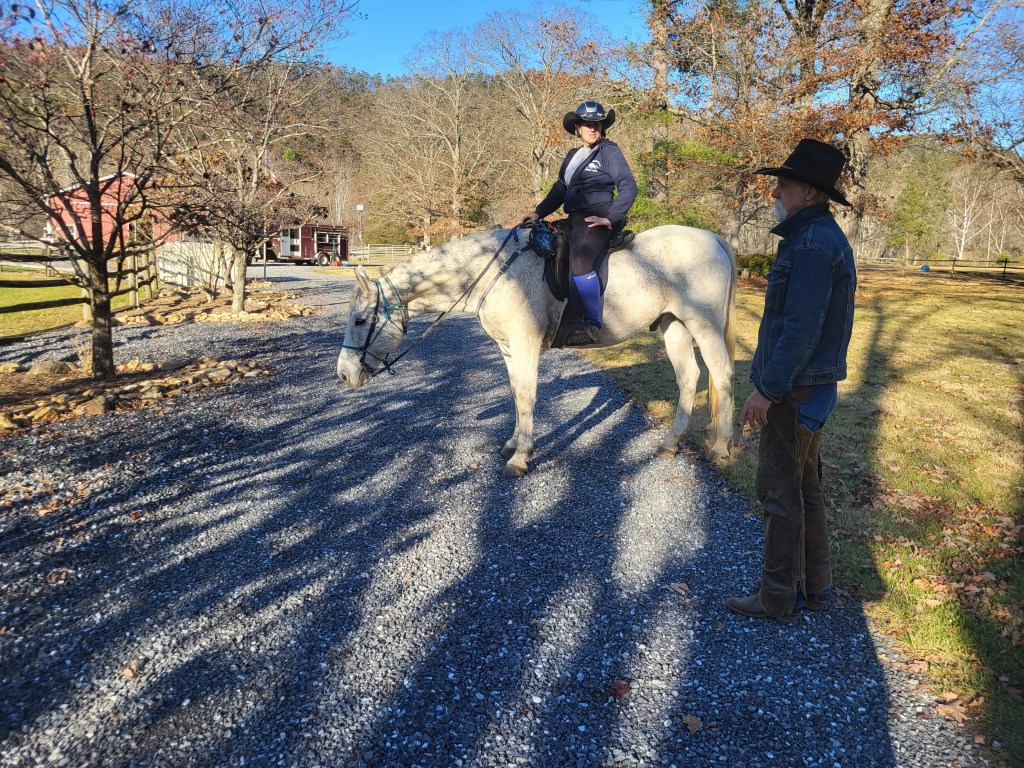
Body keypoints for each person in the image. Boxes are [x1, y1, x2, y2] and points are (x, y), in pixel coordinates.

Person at [727, 138, 857, 623]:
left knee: (779, 492)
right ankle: (815, 589)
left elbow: (801, 329)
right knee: (804, 489)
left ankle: (778, 597)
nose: (776, 192)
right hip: (808, 387)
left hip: (797, 390)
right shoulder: (815, 238)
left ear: (809, 192)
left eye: (783, 184)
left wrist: (767, 389)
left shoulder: (812, 245)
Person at [520, 101, 638, 346]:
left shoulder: (609, 151)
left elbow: (628, 186)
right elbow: (559, 190)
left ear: (603, 127)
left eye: (598, 124)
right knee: (546, 246)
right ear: (578, 128)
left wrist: (611, 217)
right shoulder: (572, 156)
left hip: (599, 215)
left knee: (580, 260)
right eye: (587, 124)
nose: (593, 128)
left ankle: (589, 324)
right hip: (574, 217)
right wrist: (538, 213)